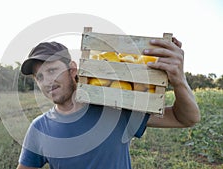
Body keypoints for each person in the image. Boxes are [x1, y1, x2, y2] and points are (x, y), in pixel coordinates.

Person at [17, 39, 200, 169]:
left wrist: (179, 80)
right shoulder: (39, 128)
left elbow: (184, 118)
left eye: (52, 70)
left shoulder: (114, 109)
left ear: (72, 69)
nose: (47, 81)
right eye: (39, 76)